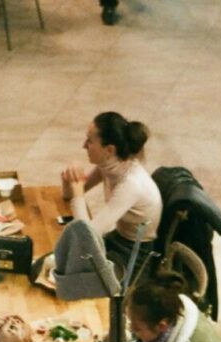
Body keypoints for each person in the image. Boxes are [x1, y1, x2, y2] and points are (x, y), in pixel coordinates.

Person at [60, 112, 162, 267]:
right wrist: (69, 180)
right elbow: (69, 196)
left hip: (134, 257)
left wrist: (78, 192)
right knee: (64, 251)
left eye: (90, 141)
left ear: (109, 150)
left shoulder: (131, 185)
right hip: (117, 239)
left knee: (71, 267)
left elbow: (86, 238)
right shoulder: (109, 165)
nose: (84, 145)